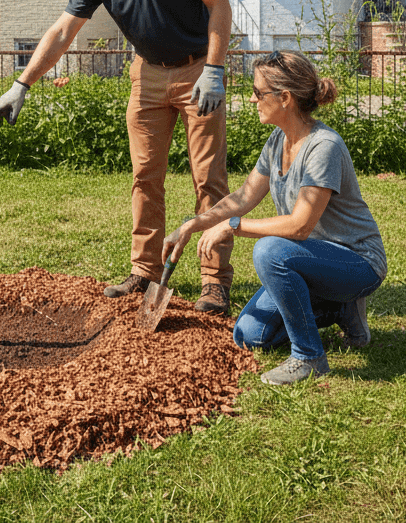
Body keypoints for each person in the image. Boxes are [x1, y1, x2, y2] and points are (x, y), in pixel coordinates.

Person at [0, 0, 235, 314]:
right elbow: (64, 30)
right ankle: (144, 270)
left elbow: (219, 5)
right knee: (144, 176)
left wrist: (214, 70)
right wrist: (22, 82)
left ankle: (214, 282)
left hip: (198, 70)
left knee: (209, 179)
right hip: (146, 75)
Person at [161, 50, 387, 385]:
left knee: (270, 251)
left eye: (258, 92)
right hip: (310, 259)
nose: (252, 99)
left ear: (284, 98)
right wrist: (193, 225)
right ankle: (340, 309)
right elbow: (243, 196)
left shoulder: (323, 147)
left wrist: (235, 227)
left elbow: (300, 225)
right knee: (249, 334)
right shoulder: (278, 140)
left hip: (356, 263)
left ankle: (309, 356)